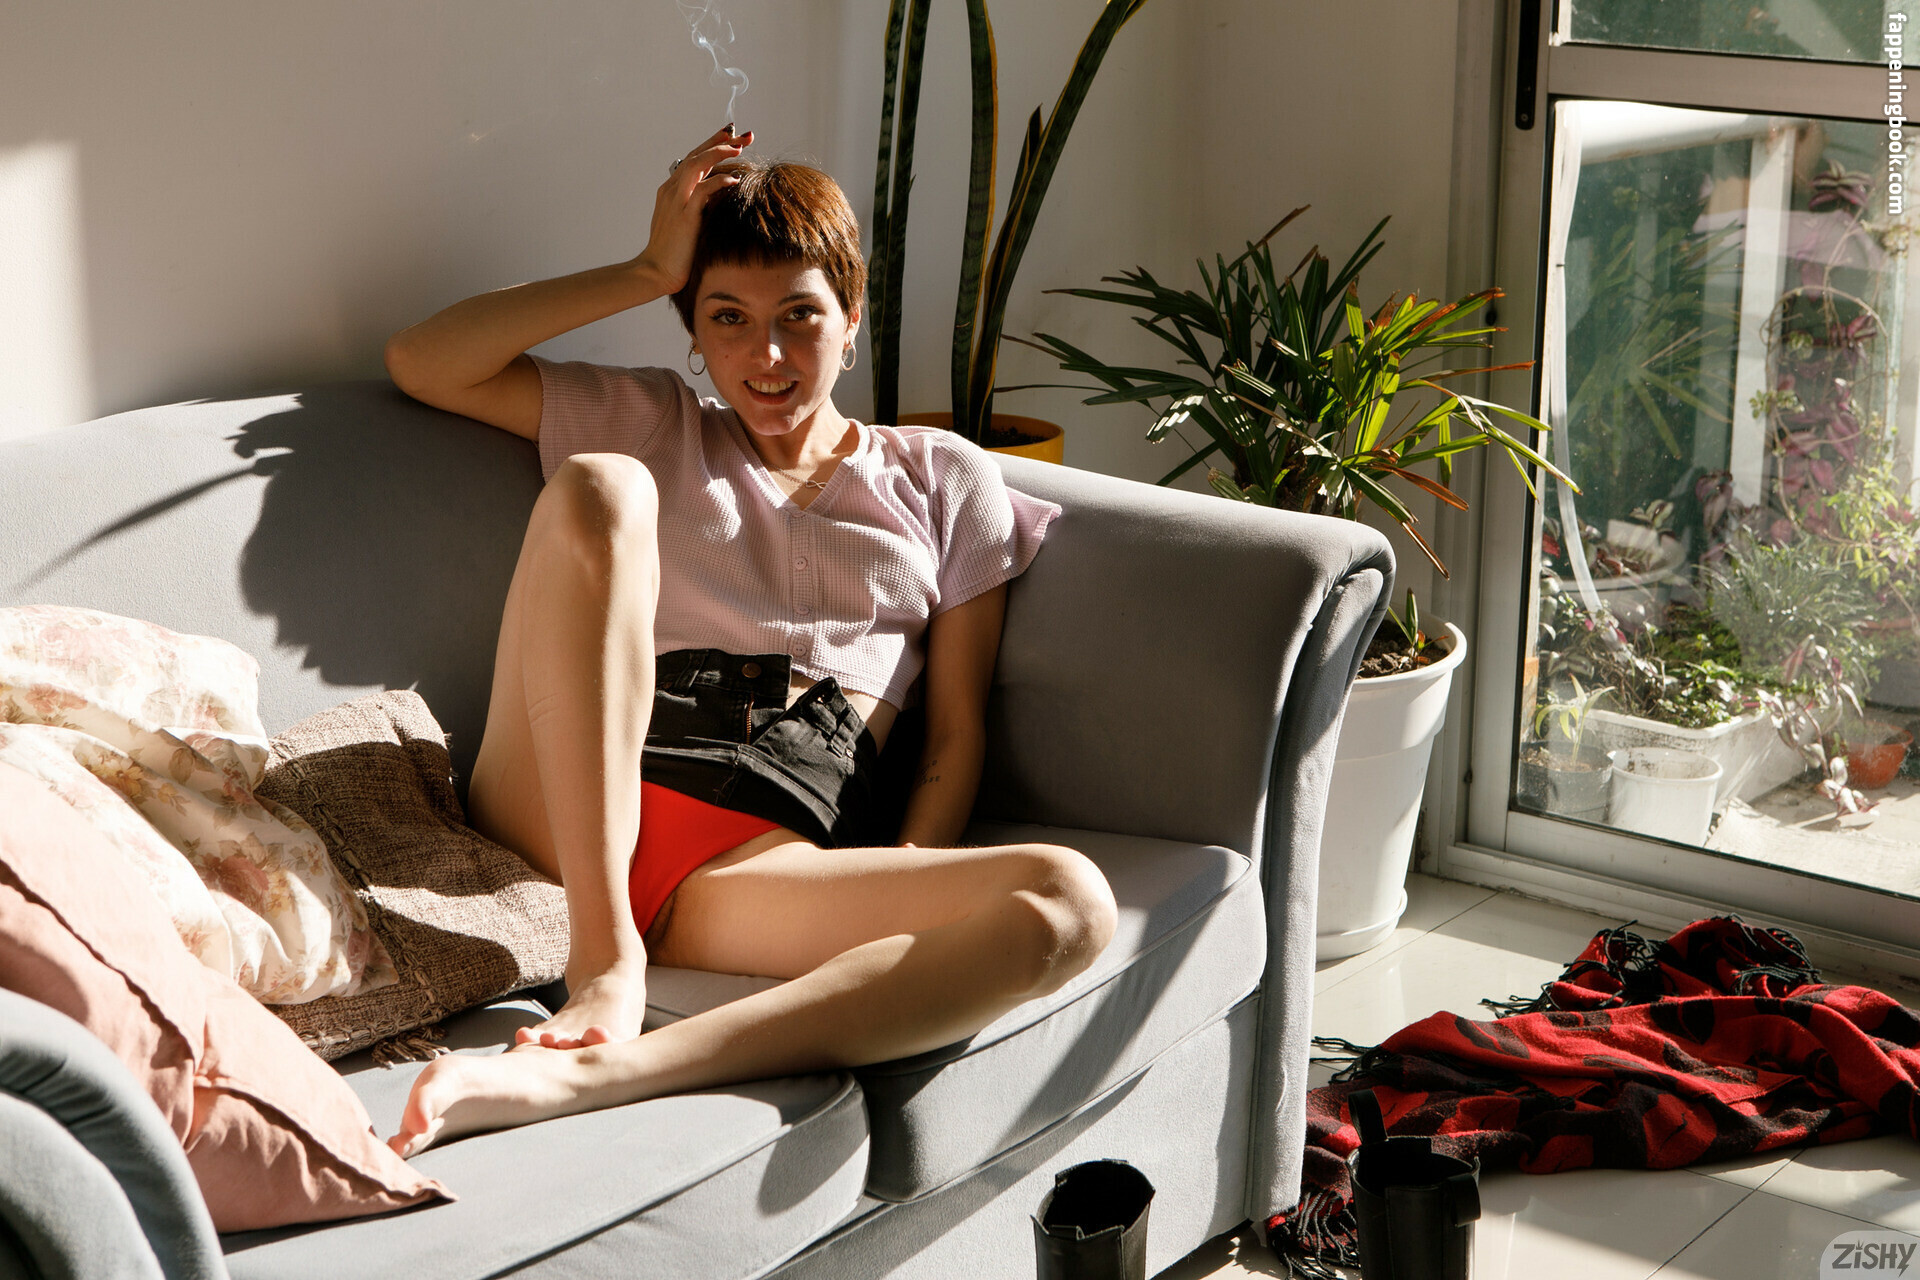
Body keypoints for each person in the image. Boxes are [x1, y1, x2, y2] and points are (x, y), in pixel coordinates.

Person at [379, 125, 1117, 1156]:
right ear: (694, 330)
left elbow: (954, 730)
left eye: (798, 316)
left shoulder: (945, 478)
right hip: (572, 807)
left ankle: (606, 1071)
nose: (765, 357)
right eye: (727, 318)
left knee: (1071, 901)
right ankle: (605, 960)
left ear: (851, 317)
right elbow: (423, 360)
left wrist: (906, 885)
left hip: (757, 864)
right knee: (602, 485)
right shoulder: (654, 423)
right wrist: (648, 269)